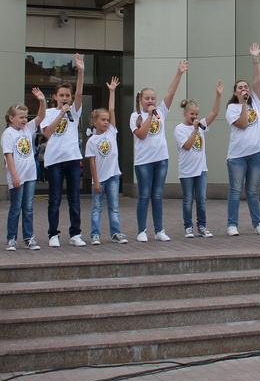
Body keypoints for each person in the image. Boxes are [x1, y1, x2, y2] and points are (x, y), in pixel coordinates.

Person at [130, 60, 189, 242]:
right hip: (143, 162)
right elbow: (141, 134)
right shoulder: (136, 116)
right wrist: (149, 115)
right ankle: (142, 231)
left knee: (157, 196)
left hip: (161, 159)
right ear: (140, 100)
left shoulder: (161, 111)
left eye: (153, 98)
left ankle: (159, 230)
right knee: (144, 195)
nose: (150, 101)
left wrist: (179, 73)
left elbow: (170, 92)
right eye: (147, 98)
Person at [41, 53, 86, 247]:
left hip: (73, 159)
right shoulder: (48, 113)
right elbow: (47, 133)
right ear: (55, 97)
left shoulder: (74, 111)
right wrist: (60, 114)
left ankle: (75, 233)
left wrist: (81, 71)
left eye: (67, 95)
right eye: (62, 95)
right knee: (54, 199)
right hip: (54, 161)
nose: (65, 98)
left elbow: (80, 94)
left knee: (74, 199)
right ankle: (53, 234)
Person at [226, 43, 260, 236]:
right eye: (240, 87)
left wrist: (255, 58)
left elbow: (258, 80)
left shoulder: (257, 103)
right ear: (235, 92)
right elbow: (243, 124)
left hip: (257, 154)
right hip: (237, 157)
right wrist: (243, 104)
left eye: (246, 87)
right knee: (236, 190)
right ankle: (232, 225)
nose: (244, 89)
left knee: (253, 191)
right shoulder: (232, 108)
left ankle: (258, 223)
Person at [175, 81, 223, 238]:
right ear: (185, 113)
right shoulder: (180, 129)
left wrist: (218, 95)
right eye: (192, 114)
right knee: (188, 199)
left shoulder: (201, 125)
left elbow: (214, 113)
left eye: (196, 114)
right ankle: (188, 227)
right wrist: (195, 130)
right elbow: (187, 146)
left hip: (201, 169)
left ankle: (202, 226)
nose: (195, 117)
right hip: (187, 170)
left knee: (201, 199)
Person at [2, 89, 47, 251]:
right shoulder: (8, 134)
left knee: (28, 207)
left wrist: (42, 101)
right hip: (18, 177)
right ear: (11, 118)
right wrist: (14, 176)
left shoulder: (28, 129)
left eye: (25, 117)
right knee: (16, 208)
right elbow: (8, 156)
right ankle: (11, 239)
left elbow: (41, 117)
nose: (24, 120)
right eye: (21, 117)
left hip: (30, 175)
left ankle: (28, 237)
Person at [86, 77, 127, 245]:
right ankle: (95, 234)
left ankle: (116, 233)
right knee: (97, 207)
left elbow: (111, 109)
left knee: (114, 206)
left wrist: (112, 91)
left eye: (107, 120)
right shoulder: (92, 141)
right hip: (99, 178)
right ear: (94, 121)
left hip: (113, 176)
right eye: (102, 120)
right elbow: (92, 163)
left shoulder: (111, 132)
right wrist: (96, 182)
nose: (106, 122)